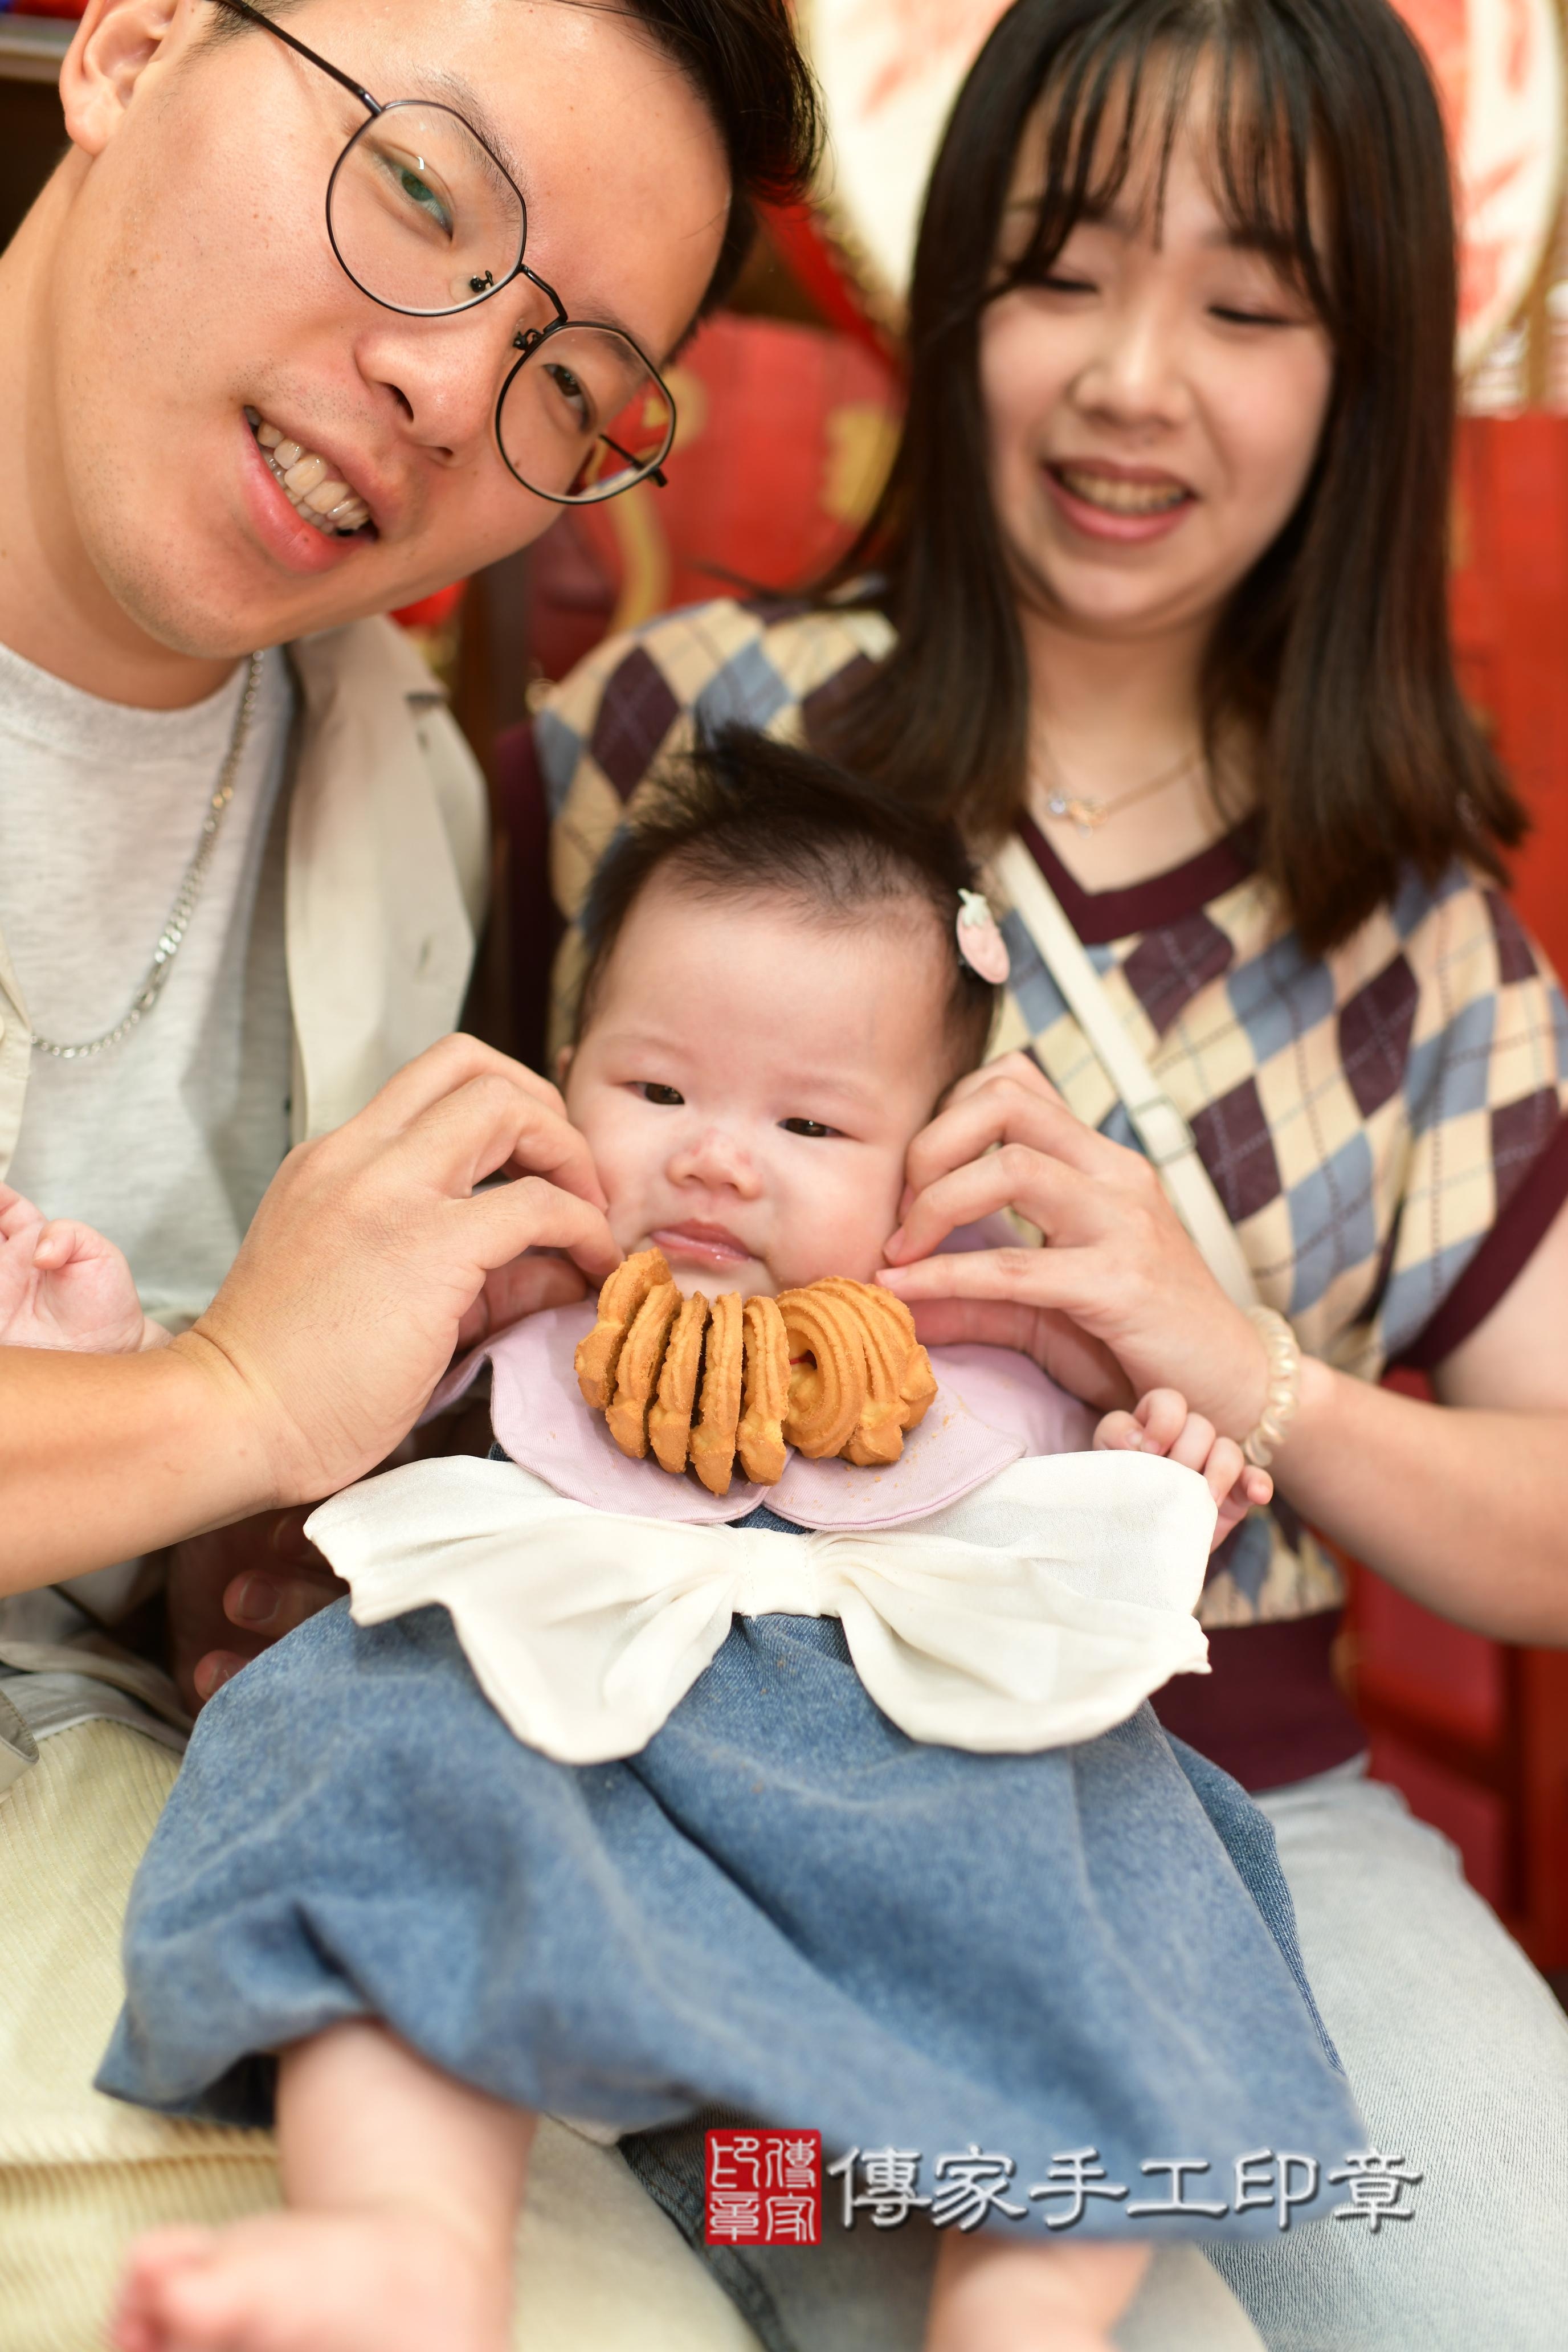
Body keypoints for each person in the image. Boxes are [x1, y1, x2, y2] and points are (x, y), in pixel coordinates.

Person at [534, 0, 1568, 2345]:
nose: (1132, 379)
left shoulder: (1423, 932)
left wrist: (1243, 1374)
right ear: (957, 302)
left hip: (1250, 1815)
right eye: (1063, 270)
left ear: (1361, 371)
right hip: (735, 1794)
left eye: (1246, 306)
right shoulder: (694, 728)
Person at [73, 736, 1362, 2352]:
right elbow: (309, 1447)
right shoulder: (519, 1293)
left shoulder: (994, 1340)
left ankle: (1026, 2312)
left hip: (906, 1793)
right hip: (560, 1759)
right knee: (374, 1737)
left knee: (1102, 1833)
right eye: (659, 1088)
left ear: (938, 1167)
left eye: (813, 1126)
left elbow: (1103, 1554)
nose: (717, 1154)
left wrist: (1165, 1471)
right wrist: (124, 1356)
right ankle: (405, 2240)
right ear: (568, 1071)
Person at [0, 0, 818, 2325]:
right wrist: (227, 1403)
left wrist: (267, 1543)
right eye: (428, 196)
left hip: (180, 1818)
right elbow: (229, 1386)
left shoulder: (400, 794)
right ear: (135, 46)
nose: (458, 393)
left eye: (571, 384)